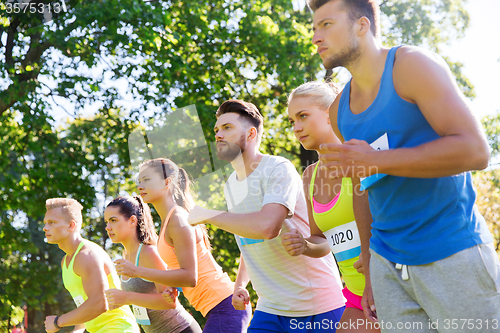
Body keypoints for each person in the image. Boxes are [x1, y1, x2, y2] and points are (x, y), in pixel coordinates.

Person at [308, 0, 500, 331]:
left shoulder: (411, 66)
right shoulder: (339, 110)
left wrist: (377, 159)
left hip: (452, 251)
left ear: (362, 25)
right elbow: (362, 187)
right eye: (313, 28)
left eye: (326, 24)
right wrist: (369, 268)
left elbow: (475, 151)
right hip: (387, 267)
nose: (315, 37)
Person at [189, 100, 346, 332]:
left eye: (227, 128)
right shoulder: (231, 185)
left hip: (317, 307)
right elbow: (249, 238)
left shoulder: (277, 168)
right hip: (270, 309)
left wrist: (209, 215)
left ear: (251, 133)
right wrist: (240, 283)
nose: (219, 135)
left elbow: (266, 227)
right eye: (217, 130)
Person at [282, 81, 379, 333]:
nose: (296, 127)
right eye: (292, 121)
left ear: (330, 113)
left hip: (388, 286)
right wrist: (305, 245)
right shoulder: (309, 176)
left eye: (303, 116)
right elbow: (322, 240)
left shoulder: (364, 154)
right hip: (356, 295)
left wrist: (372, 254)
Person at [112, 159, 251, 333]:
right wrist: (172, 288)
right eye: (139, 181)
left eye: (147, 180)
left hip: (225, 304)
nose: (140, 186)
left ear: (166, 183)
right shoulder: (168, 221)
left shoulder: (177, 219)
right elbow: (184, 272)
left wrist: (137, 271)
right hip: (216, 307)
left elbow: (190, 277)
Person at [103, 195, 202, 333]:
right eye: (106, 221)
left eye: (113, 220)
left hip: (181, 329)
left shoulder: (149, 253)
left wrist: (127, 297)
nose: (108, 227)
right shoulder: (125, 255)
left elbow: (170, 302)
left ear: (132, 221)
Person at [42, 198, 139, 333]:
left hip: (118, 328)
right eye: (46, 223)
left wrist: (59, 321)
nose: (45, 228)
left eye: (52, 222)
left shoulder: (86, 255)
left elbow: (99, 303)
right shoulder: (66, 260)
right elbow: (84, 303)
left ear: (71, 225)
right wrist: (78, 329)